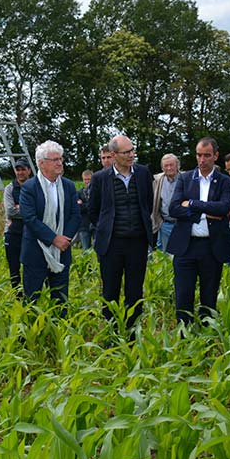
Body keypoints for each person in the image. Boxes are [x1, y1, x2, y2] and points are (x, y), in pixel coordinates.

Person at [89, 135, 154, 331]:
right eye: (127, 152)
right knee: (110, 291)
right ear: (114, 155)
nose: (131, 155)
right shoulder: (100, 178)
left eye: (133, 150)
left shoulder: (142, 173)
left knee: (135, 291)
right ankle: (112, 333)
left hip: (137, 243)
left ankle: (133, 332)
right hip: (111, 245)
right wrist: (107, 228)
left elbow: (147, 204)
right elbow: (94, 211)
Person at [166, 138, 230, 323]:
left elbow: (223, 208)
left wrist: (194, 204)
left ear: (216, 156)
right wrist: (203, 213)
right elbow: (173, 208)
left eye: (206, 155)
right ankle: (184, 334)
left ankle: (207, 334)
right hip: (186, 246)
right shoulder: (185, 178)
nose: (202, 159)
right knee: (183, 294)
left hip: (211, 247)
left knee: (209, 296)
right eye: (198, 155)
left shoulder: (225, 182)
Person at [20, 140, 80, 310]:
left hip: (61, 251)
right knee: (32, 300)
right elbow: (30, 218)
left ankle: (59, 332)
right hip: (36, 252)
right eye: (55, 160)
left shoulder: (68, 186)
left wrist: (65, 239)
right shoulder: (30, 187)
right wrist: (53, 239)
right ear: (41, 163)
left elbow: (75, 215)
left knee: (61, 300)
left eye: (60, 158)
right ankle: (31, 334)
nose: (60, 163)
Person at [3, 159, 32, 296]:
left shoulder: (35, 186)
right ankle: (17, 297)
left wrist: (20, 207)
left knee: (31, 266)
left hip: (31, 233)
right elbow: (10, 211)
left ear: (29, 171)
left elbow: (40, 209)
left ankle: (30, 295)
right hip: (13, 233)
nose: (20, 172)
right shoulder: (10, 188)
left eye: (23, 169)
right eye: (17, 170)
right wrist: (29, 211)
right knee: (14, 268)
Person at [152, 153, 180, 252]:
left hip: (181, 224)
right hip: (165, 224)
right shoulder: (158, 181)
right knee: (165, 255)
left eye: (171, 165)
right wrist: (160, 223)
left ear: (177, 165)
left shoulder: (185, 179)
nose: (169, 168)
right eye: (166, 166)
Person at [76, 170, 94, 250]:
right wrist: (89, 205)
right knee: (85, 250)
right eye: (85, 179)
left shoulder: (97, 191)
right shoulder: (79, 193)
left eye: (89, 179)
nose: (87, 181)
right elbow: (77, 208)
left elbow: (97, 206)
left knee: (98, 249)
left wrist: (83, 204)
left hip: (95, 224)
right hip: (83, 225)